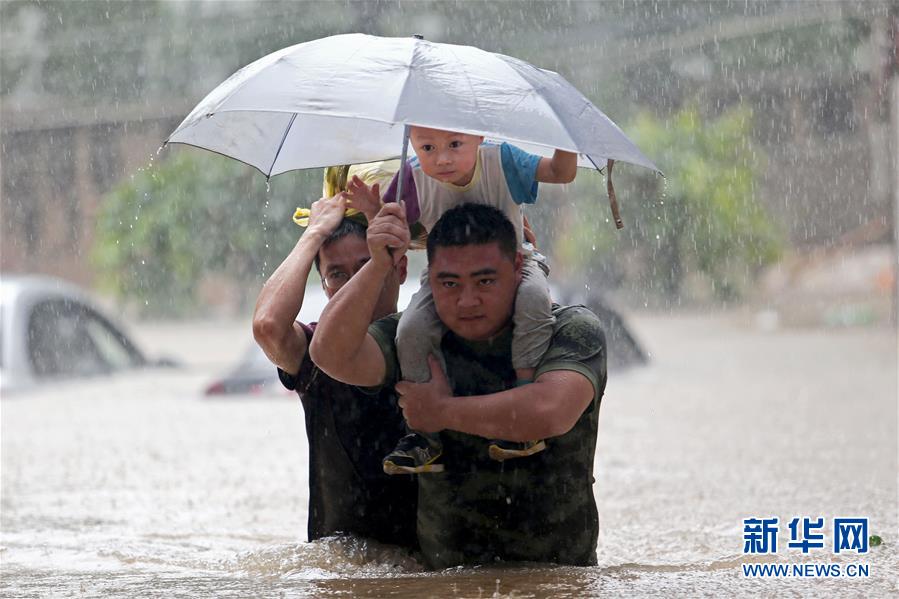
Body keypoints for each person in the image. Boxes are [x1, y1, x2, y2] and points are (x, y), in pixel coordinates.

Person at [310, 202, 607, 569]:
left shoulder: (571, 328)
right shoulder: (414, 338)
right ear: (429, 279)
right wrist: (378, 264)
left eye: (485, 281)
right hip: (445, 579)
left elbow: (550, 411)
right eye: (449, 283)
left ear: (517, 267)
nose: (467, 301)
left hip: (560, 578)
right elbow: (329, 355)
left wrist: (441, 412)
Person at [348, 126, 578, 474]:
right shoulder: (409, 178)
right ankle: (423, 436)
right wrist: (372, 213)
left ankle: (524, 392)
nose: (442, 158)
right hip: (446, 279)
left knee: (533, 299)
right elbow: (392, 232)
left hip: (515, 263)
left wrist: (564, 133)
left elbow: (562, 173)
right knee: (409, 329)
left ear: (479, 136)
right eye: (427, 147)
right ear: (411, 142)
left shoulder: (501, 160)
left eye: (455, 144)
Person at [251, 168, 417, 549]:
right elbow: (267, 327)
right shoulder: (313, 355)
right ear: (323, 284)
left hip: (426, 561)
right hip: (340, 562)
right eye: (337, 275)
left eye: (367, 265)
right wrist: (313, 234)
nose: (355, 282)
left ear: (401, 267)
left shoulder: (428, 338)